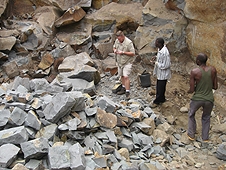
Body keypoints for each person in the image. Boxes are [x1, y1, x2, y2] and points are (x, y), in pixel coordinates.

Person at [187, 53, 218, 142]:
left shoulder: (194, 72)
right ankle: (205, 138)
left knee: (191, 114)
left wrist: (189, 91)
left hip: (197, 98)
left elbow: (192, 89)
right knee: (206, 117)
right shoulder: (213, 70)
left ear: (198, 61)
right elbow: (215, 87)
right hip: (209, 99)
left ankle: (191, 135)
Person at [113, 30, 135, 98]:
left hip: (127, 62)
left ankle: (127, 91)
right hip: (119, 62)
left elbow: (133, 53)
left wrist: (123, 52)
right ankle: (123, 88)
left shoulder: (129, 43)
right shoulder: (117, 41)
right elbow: (114, 47)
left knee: (126, 76)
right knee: (121, 75)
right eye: (118, 39)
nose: (118, 40)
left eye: (119, 39)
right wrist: (114, 50)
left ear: (122, 36)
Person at [150, 37, 171, 108]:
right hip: (160, 73)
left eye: (156, 42)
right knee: (160, 87)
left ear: (159, 43)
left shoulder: (165, 52)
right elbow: (161, 59)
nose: (155, 44)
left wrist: (156, 63)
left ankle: (157, 101)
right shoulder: (160, 49)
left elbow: (166, 65)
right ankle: (162, 99)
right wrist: (156, 57)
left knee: (160, 87)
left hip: (163, 73)